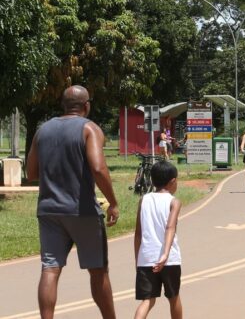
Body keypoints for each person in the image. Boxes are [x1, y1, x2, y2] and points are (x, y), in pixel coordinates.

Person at [26, 85, 120, 319]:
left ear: (63, 105)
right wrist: (113, 202)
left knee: (50, 268)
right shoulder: (89, 128)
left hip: (48, 211)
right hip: (82, 211)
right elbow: (98, 168)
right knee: (98, 271)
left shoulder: (43, 130)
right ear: (86, 106)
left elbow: (31, 173)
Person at [134, 161, 183, 319]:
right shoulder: (174, 202)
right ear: (173, 181)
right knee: (173, 297)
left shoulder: (144, 200)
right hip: (169, 260)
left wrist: (138, 259)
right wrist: (165, 254)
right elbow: (170, 227)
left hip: (146, 259)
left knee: (147, 301)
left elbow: (138, 234)